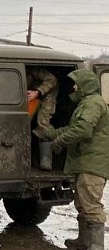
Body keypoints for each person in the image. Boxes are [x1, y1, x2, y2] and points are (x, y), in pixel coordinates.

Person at [37, 69, 108, 250]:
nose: (74, 87)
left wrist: (59, 141)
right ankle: (84, 241)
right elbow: (73, 127)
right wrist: (54, 133)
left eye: (77, 84)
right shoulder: (87, 103)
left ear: (85, 85)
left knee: (91, 205)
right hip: (84, 162)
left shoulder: (93, 103)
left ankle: (96, 246)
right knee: (83, 203)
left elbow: (83, 130)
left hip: (92, 163)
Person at [27, 66, 59, 171]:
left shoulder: (35, 70)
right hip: (31, 97)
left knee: (43, 123)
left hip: (47, 94)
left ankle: (47, 160)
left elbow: (52, 80)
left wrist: (38, 92)